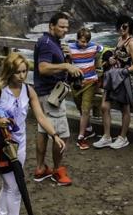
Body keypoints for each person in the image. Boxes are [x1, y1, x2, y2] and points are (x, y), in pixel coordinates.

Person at [0, 53, 67, 215]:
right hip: (1, 145)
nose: (22, 76)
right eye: (18, 72)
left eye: (24, 71)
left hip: (20, 144)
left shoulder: (29, 90)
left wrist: (54, 135)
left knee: (9, 185)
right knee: (15, 188)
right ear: (9, 71)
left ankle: (2, 213)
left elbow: (41, 116)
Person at [32, 12, 82, 186]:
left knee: (43, 131)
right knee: (62, 134)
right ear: (51, 26)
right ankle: (57, 170)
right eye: (61, 26)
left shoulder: (51, 42)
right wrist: (66, 65)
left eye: (67, 27)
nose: (65, 30)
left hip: (43, 93)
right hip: (50, 95)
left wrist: (65, 57)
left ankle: (40, 168)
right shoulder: (47, 44)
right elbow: (43, 68)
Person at [93, 15, 133, 150]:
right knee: (104, 106)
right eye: (119, 26)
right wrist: (111, 59)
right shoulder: (120, 39)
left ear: (130, 27)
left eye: (124, 26)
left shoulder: (131, 42)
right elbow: (118, 55)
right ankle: (107, 136)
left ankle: (122, 137)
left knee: (124, 108)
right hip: (113, 77)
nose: (121, 29)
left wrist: (123, 71)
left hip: (124, 79)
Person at [68, 27, 103, 150]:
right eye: (82, 41)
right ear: (77, 39)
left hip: (90, 82)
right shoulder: (70, 48)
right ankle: (88, 129)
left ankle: (81, 137)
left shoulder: (93, 47)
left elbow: (103, 49)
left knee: (85, 109)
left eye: (87, 41)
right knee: (80, 108)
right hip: (76, 84)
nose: (85, 44)